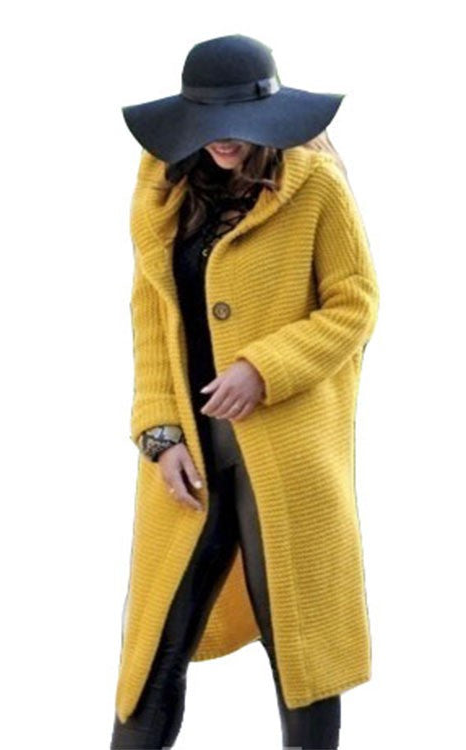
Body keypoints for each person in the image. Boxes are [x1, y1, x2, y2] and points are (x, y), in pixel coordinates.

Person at [112, 34, 380, 749]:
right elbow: (149, 320)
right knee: (153, 651)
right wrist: (159, 435)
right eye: (209, 123)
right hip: (192, 458)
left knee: (301, 651)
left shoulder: (314, 186)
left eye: (239, 123)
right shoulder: (165, 193)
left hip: (286, 458)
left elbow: (355, 304)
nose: (224, 139)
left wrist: (263, 367)